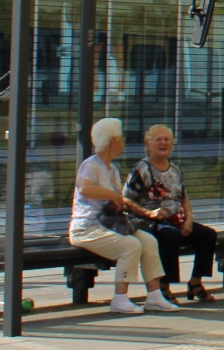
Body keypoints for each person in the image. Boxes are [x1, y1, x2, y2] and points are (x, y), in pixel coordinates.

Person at [70, 117, 173, 314]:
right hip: (87, 228)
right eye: (121, 138)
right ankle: (120, 298)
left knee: (149, 242)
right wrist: (111, 195)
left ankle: (154, 296)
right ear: (112, 141)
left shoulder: (112, 169)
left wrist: (118, 203)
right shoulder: (90, 165)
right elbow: (84, 188)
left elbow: (117, 200)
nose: (124, 142)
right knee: (131, 246)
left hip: (108, 225)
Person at [127, 124, 219, 302]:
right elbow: (126, 200)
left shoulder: (175, 169)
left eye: (167, 139)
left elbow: (184, 197)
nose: (163, 143)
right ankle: (164, 286)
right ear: (148, 144)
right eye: (158, 140)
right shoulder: (141, 170)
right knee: (170, 235)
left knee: (208, 235)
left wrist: (189, 220)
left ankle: (195, 283)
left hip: (177, 220)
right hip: (152, 223)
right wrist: (149, 213)